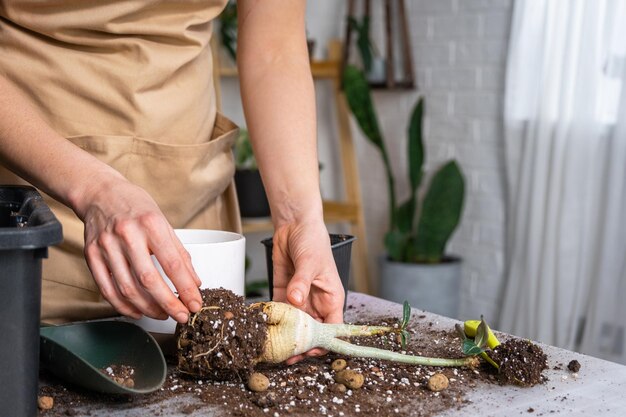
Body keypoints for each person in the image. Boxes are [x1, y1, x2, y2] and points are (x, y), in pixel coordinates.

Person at [0, 0, 344, 360]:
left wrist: (298, 219)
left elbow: (274, 46)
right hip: (35, 223)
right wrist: (92, 186)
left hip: (192, 207)